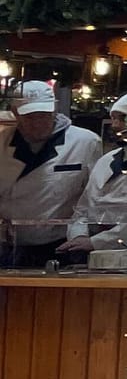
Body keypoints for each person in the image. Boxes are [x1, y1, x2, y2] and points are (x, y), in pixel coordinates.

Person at [0, 80, 104, 267]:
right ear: (15, 113)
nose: (38, 123)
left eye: (44, 115)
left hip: (61, 244)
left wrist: (85, 235)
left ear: (55, 110)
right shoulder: (2, 142)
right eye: (30, 117)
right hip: (8, 244)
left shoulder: (85, 142)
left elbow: (93, 196)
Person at [61, 91, 127, 257]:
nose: (115, 125)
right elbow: (82, 210)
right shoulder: (105, 161)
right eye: (113, 118)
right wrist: (78, 235)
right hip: (92, 257)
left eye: (123, 118)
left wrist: (95, 242)